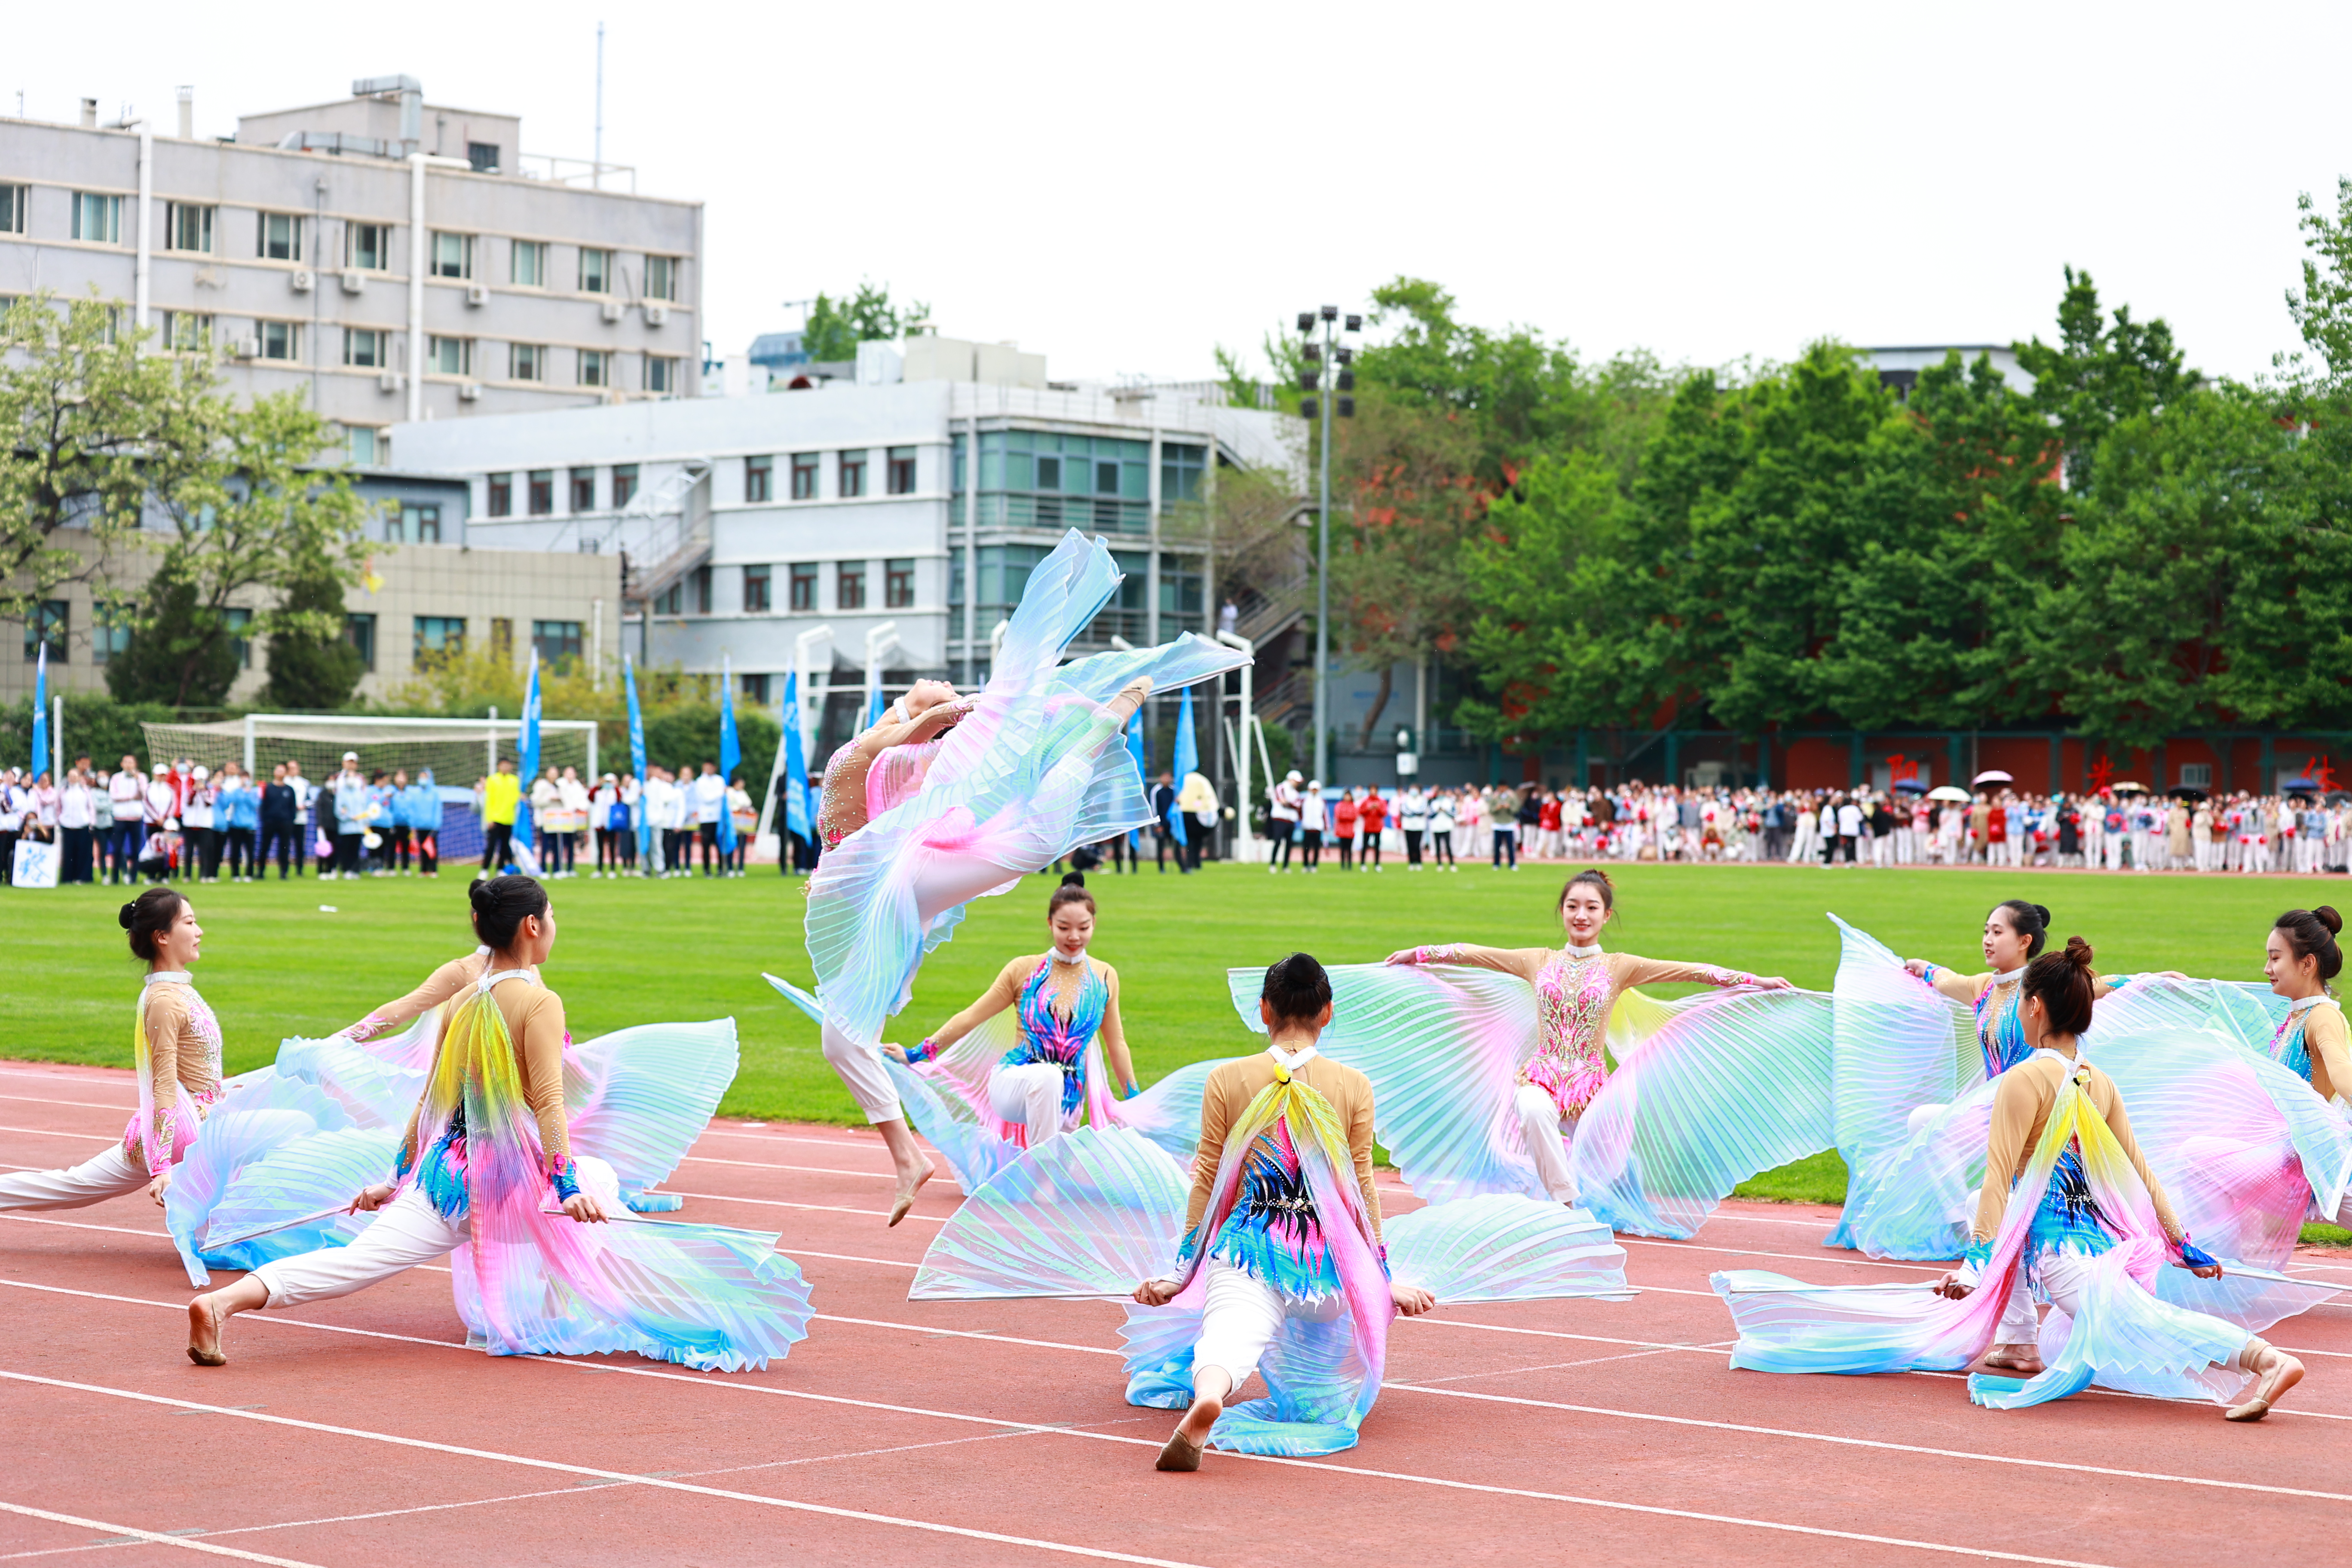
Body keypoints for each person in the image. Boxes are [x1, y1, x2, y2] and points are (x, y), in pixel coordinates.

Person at [786, 532, 1244, 1225]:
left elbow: (924, 762)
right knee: (838, 1035)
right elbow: (900, 741)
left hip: (901, 877)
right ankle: (908, 1155)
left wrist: (1018, 714)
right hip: (887, 881)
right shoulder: (873, 744)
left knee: (1032, 836)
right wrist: (949, 711)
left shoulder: (918, 758)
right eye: (931, 687)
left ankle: (1099, 731)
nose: (940, 686)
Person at [181, 875, 813, 1371]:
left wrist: (398, 1179)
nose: (556, 926)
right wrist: (566, 1187)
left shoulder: (465, 997)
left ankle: (222, 1303)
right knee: (600, 1185)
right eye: (554, 916)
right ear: (533, 926)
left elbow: (432, 1102)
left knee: (357, 1261)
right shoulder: (537, 1000)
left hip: (444, 1177)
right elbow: (548, 1101)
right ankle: (521, 1316)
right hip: (507, 1182)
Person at [1717, 937, 2309, 1422]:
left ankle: (2265, 1360)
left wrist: (1976, 1266)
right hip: (2093, 1242)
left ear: (2033, 1008)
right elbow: (2141, 1171)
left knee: (2140, 1324)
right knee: (2110, 1330)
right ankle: (2023, 1337)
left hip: (2062, 1252)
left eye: (2023, 1001)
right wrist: (2183, 1244)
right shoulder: (2097, 1079)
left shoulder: (2024, 1081)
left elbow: (2002, 1180)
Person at [1133, 953, 1433, 1467]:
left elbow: (1208, 1178)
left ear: (1264, 1011)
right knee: (1325, 1337)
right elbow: (1361, 1192)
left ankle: (1212, 1392)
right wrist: (1379, 1280)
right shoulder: (1353, 1084)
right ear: (1328, 1013)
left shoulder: (1227, 1078)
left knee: (1226, 1342)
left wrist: (1183, 1272)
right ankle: (1310, 1388)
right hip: (1326, 1281)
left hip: (1248, 1256)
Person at [1384, 869, 1794, 1209]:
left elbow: (1692, 971)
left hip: (1592, 1086)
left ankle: (1602, 1193)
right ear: (1561, 911)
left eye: (1591, 908)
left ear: (1606, 915)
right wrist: (1419, 953)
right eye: (1573, 906)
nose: (1581, 915)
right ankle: (1565, 1206)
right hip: (1541, 1077)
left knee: (1610, 1171)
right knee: (1531, 1111)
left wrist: (1756, 982)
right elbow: (1474, 953)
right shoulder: (1538, 960)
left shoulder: (1620, 966)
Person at [0, 888, 221, 1213]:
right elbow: (162, 1083)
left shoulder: (179, 989)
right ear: (162, 936)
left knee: (70, 1185)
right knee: (70, 1186)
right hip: (176, 1136)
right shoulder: (163, 1000)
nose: (199, 931)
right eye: (189, 922)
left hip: (200, 1129)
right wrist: (161, 1167)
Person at [887, 876, 1138, 1161]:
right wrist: (915, 1054)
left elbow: (1116, 1043)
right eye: (1064, 928)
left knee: (1063, 1150)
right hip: (1012, 1084)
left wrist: (1134, 1101)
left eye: (1083, 928)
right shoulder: (1023, 970)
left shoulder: (1105, 977)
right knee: (1048, 1077)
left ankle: (1040, 1169)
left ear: (1094, 924)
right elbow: (971, 1017)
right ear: (1049, 924)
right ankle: (1043, 1173)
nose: (1074, 937)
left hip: (1068, 1101)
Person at [216, 764, 259, 882]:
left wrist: (248, 793)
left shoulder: (254, 791)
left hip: (250, 825)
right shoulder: (237, 791)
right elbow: (228, 801)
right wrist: (239, 790)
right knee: (235, 850)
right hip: (236, 824)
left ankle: (249, 874)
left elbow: (256, 805)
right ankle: (235, 874)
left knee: (250, 851)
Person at [479, 756, 520, 877]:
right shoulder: (492, 780)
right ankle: (485, 869)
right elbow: (489, 801)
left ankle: (500, 868)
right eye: (503, 765)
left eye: (508, 765)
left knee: (505, 846)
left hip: (508, 819)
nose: (505, 767)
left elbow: (515, 798)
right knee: (491, 845)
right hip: (496, 819)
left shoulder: (515, 780)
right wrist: (489, 818)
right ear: (499, 766)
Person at [58, 766, 98, 884]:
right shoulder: (64, 791)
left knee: (83, 853)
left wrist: (92, 823)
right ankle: (68, 878)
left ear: (79, 778)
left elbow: (91, 808)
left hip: (83, 825)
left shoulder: (85, 791)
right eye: (71, 777)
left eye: (75, 776)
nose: (73, 779)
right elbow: (59, 807)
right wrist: (59, 820)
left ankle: (83, 877)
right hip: (67, 825)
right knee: (68, 853)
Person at [690, 760, 726, 876]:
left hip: (718, 817)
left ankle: (721, 869)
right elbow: (706, 799)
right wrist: (720, 793)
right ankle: (707, 870)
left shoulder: (720, 780)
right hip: (705, 818)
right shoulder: (700, 782)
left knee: (720, 844)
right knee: (706, 845)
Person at [1267, 770, 1301, 873]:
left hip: (1290, 820)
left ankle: (1286, 866)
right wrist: (1291, 805)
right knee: (1277, 841)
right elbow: (1283, 802)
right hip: (1280, 819)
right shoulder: (1281, 787)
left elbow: (1298, 805)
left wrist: (1290, 804)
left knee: (1289, 843)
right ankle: (1273, 864)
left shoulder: (1296, 793)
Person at [1153, 770, 1182, 872]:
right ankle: (1161, 868)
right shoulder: (1156, 791)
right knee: (1161, 848)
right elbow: (1154, 808)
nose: (1166, 780)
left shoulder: (1174, 790)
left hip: (1172, 824)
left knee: (1176, 847)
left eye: (1168, 777)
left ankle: (1183, 868)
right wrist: (1157, 824)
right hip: (1161, 824)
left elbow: (1178, 806)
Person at [726, 774, 755, 875]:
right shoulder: (729, 792)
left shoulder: (743, 793)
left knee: (742, 847)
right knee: (731, 846)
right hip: (733, 824)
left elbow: (749, 805)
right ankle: (729, 867)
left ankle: (740, 868)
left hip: (743, 825)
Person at [1296, 780, 1326, 872]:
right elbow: (1300, 812)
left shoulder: (1322, 801)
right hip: (1307, 827)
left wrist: (1326, 826)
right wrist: (1303, 821)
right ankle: (1306, 865)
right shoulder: (1305, 800)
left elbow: (1325, 815)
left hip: (1317, 828)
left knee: (1317, 848)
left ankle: (1314, 865)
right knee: (1306, 848)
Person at [1426, 786, 1455, 870]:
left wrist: (1445, 811)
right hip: (1437, 827)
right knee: (1438, 847)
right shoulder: (1434, 803)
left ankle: (1452, 864)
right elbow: (1430, 815)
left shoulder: (1449, 802)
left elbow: (1454, 814)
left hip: (1446, 827)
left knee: (1448, 846)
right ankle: (1439, 864)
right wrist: (1437, 811)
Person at [1359, 786, 1388, 871]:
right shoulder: (1366, 801)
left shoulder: (1381, 801)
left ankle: (1377, 864)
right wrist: (1369, 808)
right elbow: (1361, 812)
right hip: (1367, 827)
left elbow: (1384, 813)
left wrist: (1378, 808)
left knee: (1377, 846)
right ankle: (1363, 863)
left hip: (1377, 827)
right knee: (1365, 846)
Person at [1399, 785, 1427, 869]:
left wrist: (1413, 812)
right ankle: (1411, 862)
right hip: (1408, 826)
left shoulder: (1423, 799)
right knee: (1410, 845)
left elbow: (1422, 810)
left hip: (1419, 826)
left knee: (1417, 845)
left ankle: (1419, 862)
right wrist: (1413, 813)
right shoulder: (1406, 799)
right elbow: (1404, 810)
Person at [1332, 788, 1357, 871]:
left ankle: (1349, 864)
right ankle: (1343, 864)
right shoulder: (1339, 805)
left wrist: (1345, 817)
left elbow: (1354, 816)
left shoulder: (1353, 805)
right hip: (1342, 830)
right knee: (1342, 849)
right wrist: (1347, 817)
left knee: (1349, 849)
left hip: (1350, 830)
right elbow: (1338, 816)